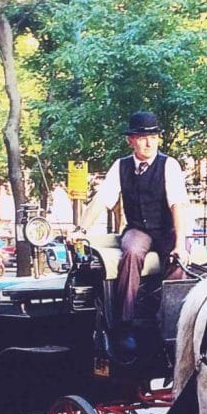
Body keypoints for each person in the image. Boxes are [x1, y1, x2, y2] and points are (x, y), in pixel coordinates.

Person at [78, 111, 189, 322]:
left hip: (167, 229)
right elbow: (101, 200)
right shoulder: (121, 166)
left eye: (154, 137)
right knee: (131, 252)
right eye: (142, 138)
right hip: (139, 228)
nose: (149, 143)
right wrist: (81, 230)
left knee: (178, 260)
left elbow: (177, 205)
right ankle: (125, 322)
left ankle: (169, 322)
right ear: (131, 141)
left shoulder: (169, 165)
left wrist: (181, 245)